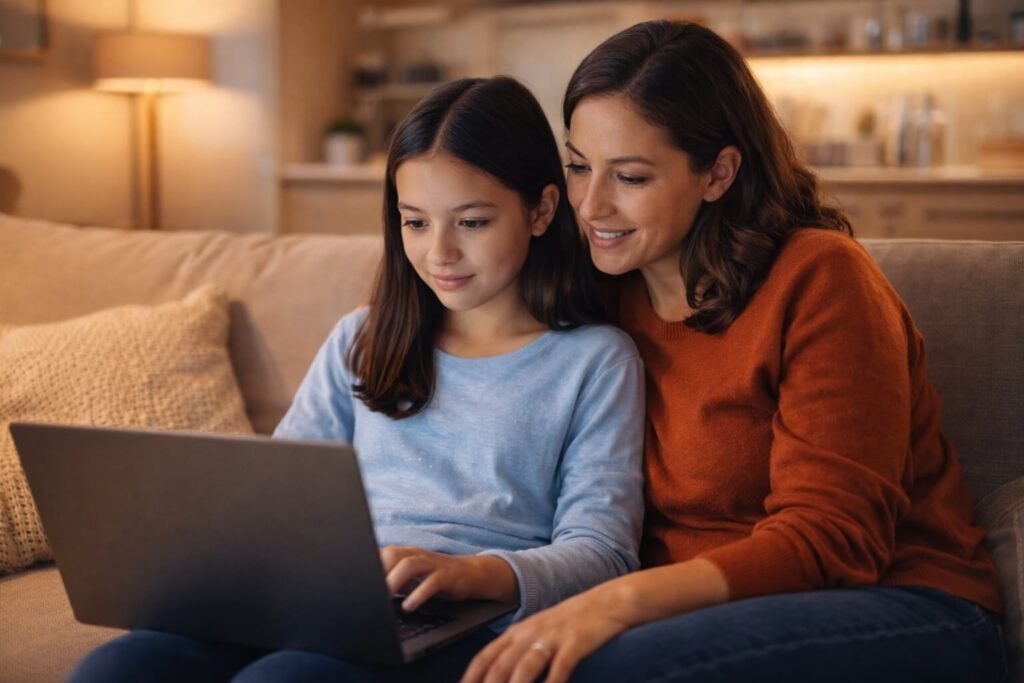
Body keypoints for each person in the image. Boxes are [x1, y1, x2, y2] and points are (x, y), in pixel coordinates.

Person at [462, 21, 1005, 683]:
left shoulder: (822, 279)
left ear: (718, 172)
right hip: (681, 611)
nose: (592, 205)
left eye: (630, 177)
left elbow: (832, 538)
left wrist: (619, 601)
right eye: (578, 167)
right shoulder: (601, 292)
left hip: (902, 602)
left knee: (602, 666)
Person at [68, 76, 645, 683]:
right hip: (326, 595)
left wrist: (472, 574)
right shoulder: (362, 338)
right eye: (415, 223)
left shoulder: (594, 361)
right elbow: (278, 493)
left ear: (541, 210)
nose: (439, 252)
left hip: (463, 617)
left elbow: (604, 552)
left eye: (471, 223)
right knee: (118, 666)